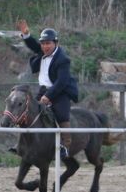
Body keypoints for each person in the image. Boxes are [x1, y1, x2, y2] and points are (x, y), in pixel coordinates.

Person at [16, 19, 79, 159]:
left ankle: (65, 145)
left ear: (56, 43)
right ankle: (22, 144)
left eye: (48, 43)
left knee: (61, 114)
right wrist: (26, 35)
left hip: (60, 92)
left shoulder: (63, 59)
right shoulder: (42, 50)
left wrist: (49, 96)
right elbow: (33, 45)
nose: (45, 46)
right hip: (43, 90)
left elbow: (61, 82)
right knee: (28, 111)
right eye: (43, 44)